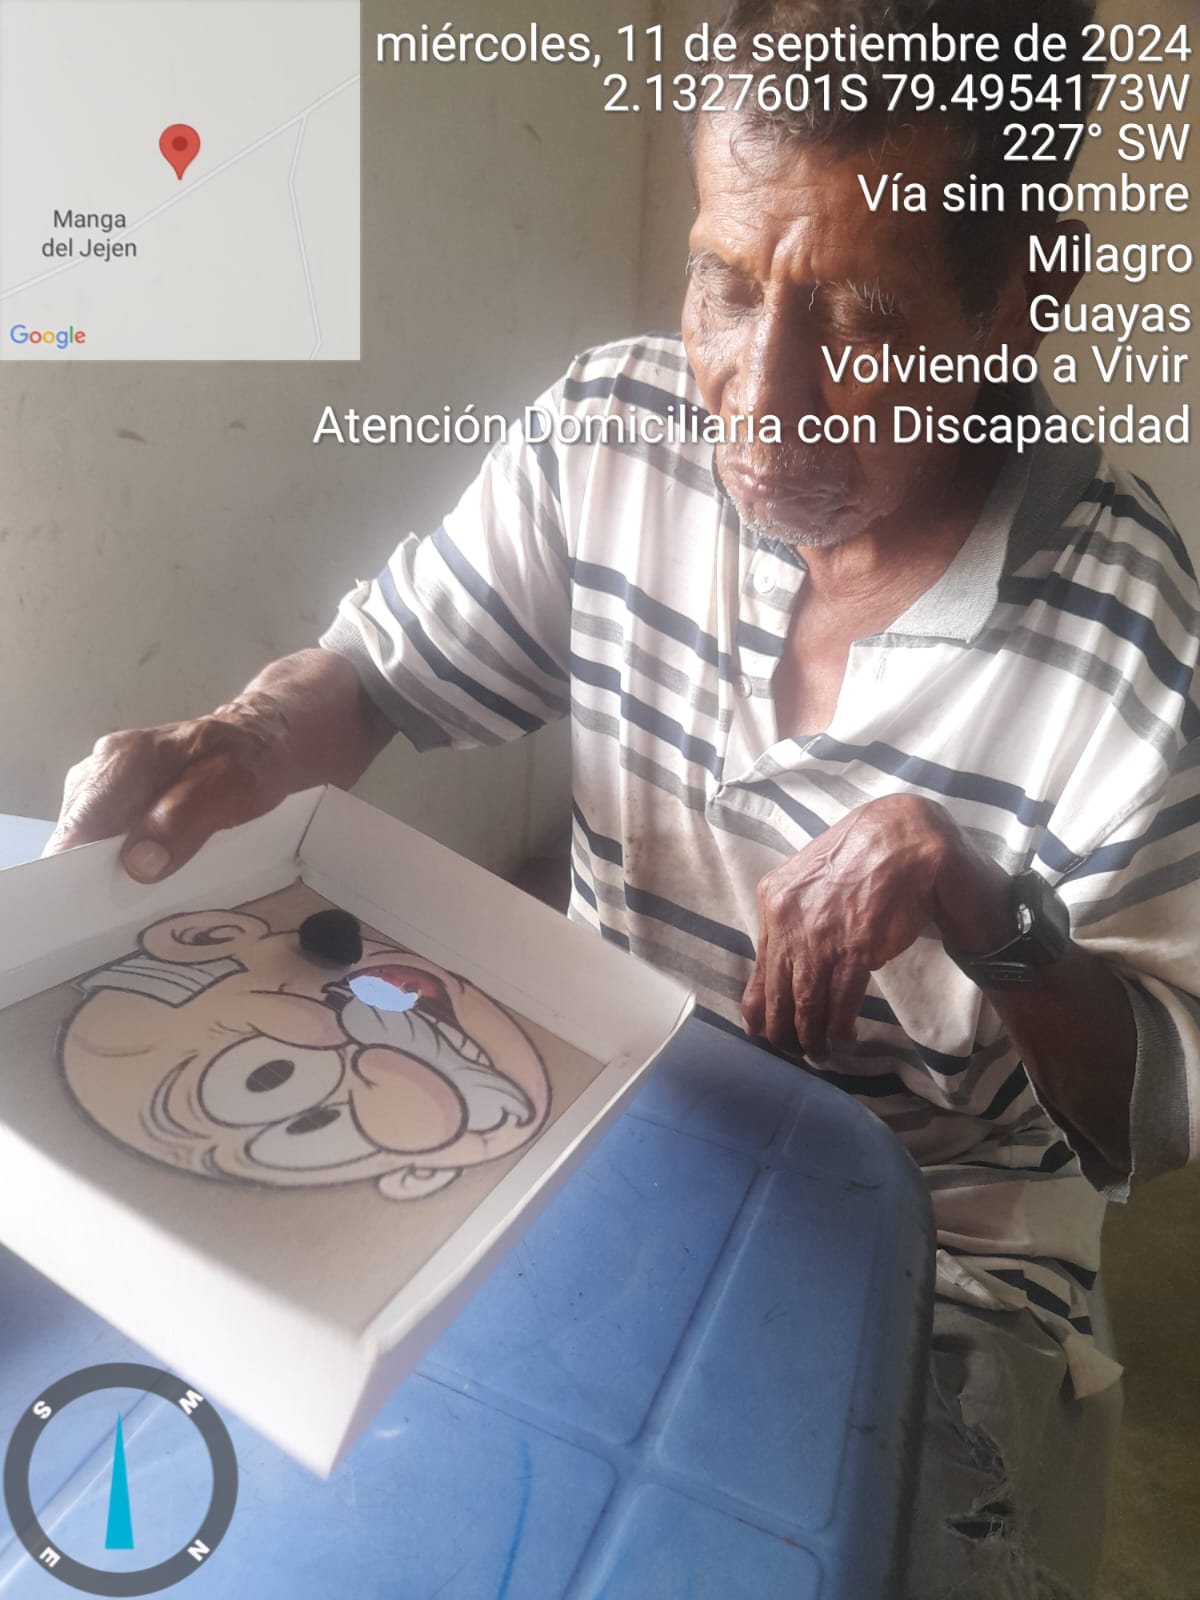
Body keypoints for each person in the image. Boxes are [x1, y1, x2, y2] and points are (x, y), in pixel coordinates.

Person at [46, 1, 1199, 1593]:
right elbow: (376, 677)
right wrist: (241, 736)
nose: (761, 398)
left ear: (1022, 300)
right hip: (600, 1140)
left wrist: (984, 907)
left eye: (860, 319)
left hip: (940, 1268)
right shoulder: (615, 435)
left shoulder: (1137, 642)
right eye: (727, 284)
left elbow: (1154, 1106)